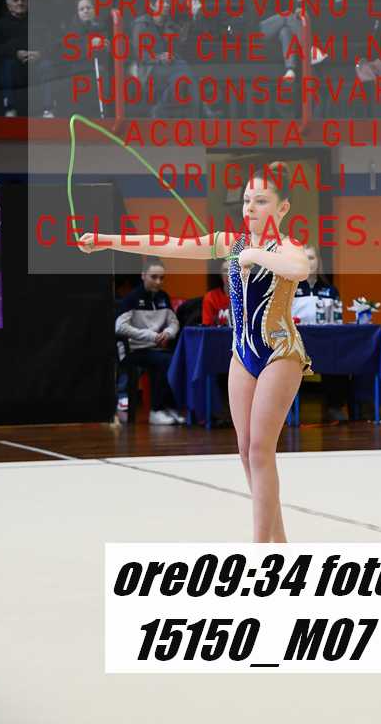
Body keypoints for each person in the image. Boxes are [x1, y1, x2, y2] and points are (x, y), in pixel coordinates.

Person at [77, 161, 312, 543]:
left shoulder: (287, 246)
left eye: (261, 201)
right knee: (246, 451)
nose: (250, 208)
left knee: (260, 449)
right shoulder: (230, 243)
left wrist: (256, 256)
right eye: (247, 200)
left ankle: (260, 551)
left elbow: (299, 268)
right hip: (242, 353)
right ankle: (280, 544)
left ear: (282, 208)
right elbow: (168, 243)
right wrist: (107, 240)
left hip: (279, 351)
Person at [115, 256, 186, 425]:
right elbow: (120, 327)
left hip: (156, 348)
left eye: (161, 278)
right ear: (143, 275)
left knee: (177, 359)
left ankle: (169, 407)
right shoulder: (132, 298)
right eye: (154, 277)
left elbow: (174, 323)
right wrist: (151, 336)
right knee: (165, 361)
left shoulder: (163, 297)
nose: (158, 282)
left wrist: (168, 333)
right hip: (133, 350)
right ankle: (156, 410)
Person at [295, 243, 350, 423]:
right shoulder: (289, 288)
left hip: (325, 343)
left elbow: (337, 320)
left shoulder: (331, 290)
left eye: (311, 258)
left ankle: (334, 407)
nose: (308, 262)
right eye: (304, 258)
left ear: (318, 261)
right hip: (297, 344)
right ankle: (288, 410)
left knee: (340, 358)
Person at [0, 0, 55, 116]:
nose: (20, 3)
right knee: (7, 66)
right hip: (13, 65)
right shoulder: (0, 25)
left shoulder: (37, 22)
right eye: (16, 0)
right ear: (9, 5)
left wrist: (40, 54)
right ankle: (10, 109)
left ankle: (48, 109)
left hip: (36, 63)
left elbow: (50, 44)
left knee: (47, 65)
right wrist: (15, 53)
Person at [202, 261, 230, 325]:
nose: (228, 274)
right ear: (221, 274)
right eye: (225, 270)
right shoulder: (211, 297)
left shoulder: (246, 296)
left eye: (232, 270)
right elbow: (207, 326)